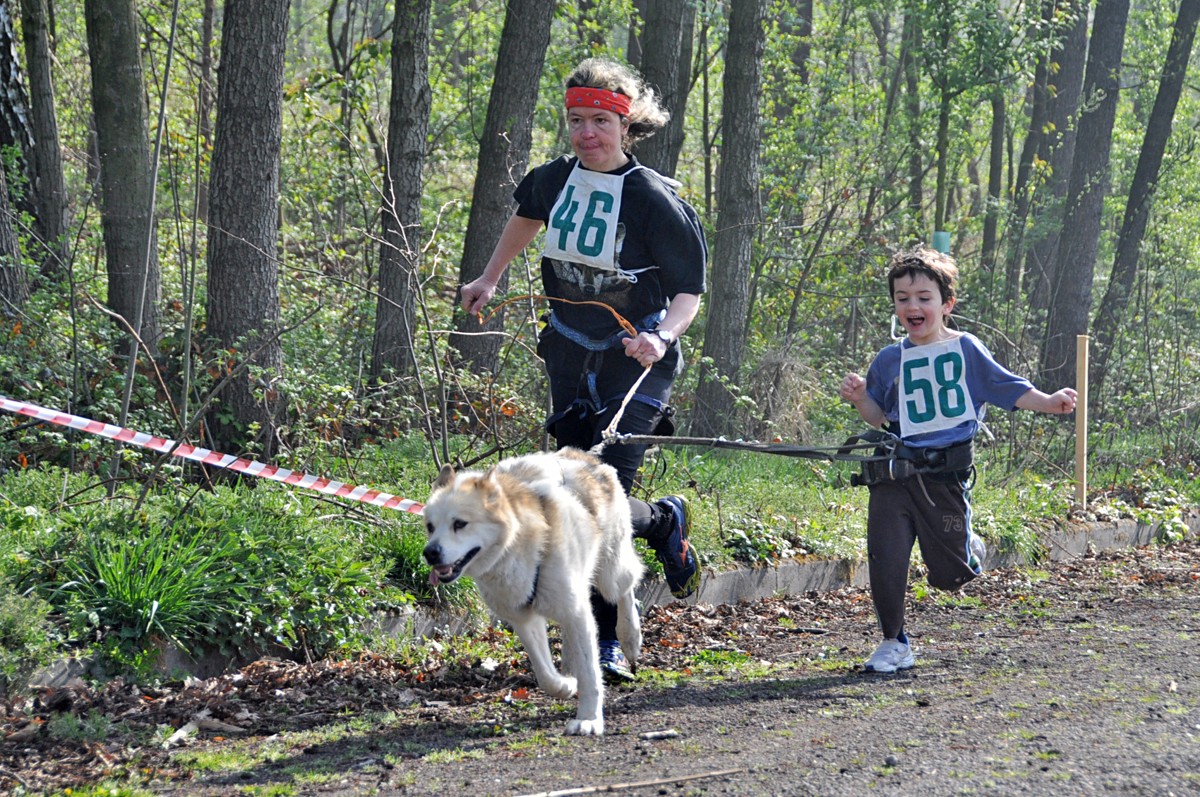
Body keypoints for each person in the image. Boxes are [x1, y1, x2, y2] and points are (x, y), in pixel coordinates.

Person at [460, 57, 707, 683]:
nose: (587, 133)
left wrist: (660, 336)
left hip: (636, 358)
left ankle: (602, 643)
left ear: (625, 127)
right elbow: (526, 218)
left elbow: (688, 293)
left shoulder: (653, 199)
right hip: (569, 348)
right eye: (576, 120)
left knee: (601, 492)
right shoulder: (553, 179)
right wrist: (490, 277)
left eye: (600, 120)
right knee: (576, 492)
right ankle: (664, 522)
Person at [839, 245, 1077, 673]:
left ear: (946, 304)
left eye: (923, 298)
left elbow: (1008, 389)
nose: (912, 307)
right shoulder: (890, 359)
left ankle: (968, 545)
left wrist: (1049, 401)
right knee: (885, 555)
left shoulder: (966, 349)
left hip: (944, 475)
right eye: (902, 299)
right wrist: (860, 399)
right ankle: (894, 642)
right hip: (895, 470)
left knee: (952, 575)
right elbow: (879, 415)